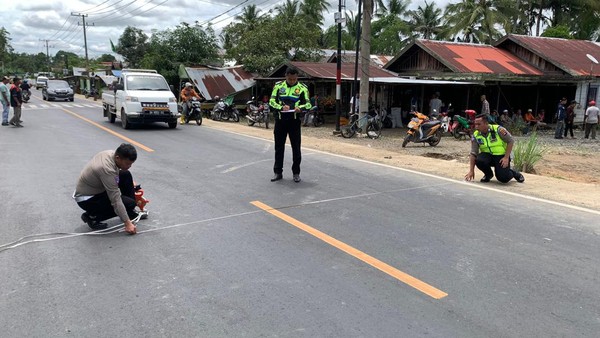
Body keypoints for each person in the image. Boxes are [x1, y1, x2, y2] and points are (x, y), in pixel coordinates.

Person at [73, 143, 146, 234]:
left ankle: (129, 212)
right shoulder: (106, 169)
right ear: (118, 158)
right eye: (127, 163)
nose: (129, 166)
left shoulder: (111, 154)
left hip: (96, 188)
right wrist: (127, 223)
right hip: (88, 199)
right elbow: (115, 199)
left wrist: (130, 184)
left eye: (131, 164)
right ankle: (92, 216)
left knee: (125, 174)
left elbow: (116, 175)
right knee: (129, 203)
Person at [269, 67, 311, 183]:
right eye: (290, 79)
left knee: (296, 148)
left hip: (294, 121)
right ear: (285, 76)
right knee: (279, 147)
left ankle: (296, 173)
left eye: (294, 79)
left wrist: (300, 108)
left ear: (297, 77)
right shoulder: (278, 86)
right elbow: (271, 102)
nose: (292, 81)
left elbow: (308, 104)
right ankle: (278, 172)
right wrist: (280, 107)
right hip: (280, 121)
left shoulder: (302, 88)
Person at [465, 114, 525, 184]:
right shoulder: (476, 135)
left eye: (479, 124)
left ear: (486, 123)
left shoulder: (498, 130)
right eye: (475, 124)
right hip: (488, 156)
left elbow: (510, 141)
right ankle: (488, 175)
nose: (476, 127)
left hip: (501, 156)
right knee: (479, 160)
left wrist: (506, 157)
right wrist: (471, 171)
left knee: (503, 179)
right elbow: (473, 153)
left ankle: (514, 173)